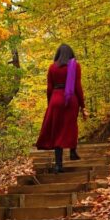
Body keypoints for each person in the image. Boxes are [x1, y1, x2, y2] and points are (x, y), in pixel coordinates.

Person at [35, 44, 87, 172]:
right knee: (71, 126)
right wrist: (82, 105)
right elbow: (77, 87)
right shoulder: (75, 66)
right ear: (71, 54)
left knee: (58, 130)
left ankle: (59, 165)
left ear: (58, 54)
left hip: (56, 99)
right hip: (70, 100)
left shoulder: (52, 67)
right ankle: (72, 152)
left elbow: (49, 88)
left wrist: (50, 104)